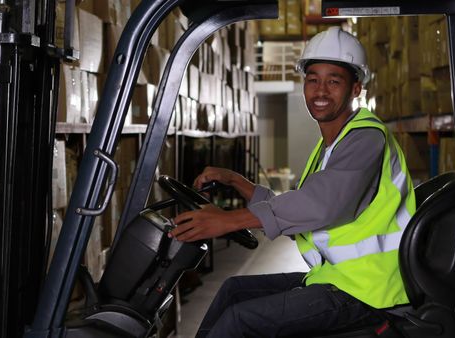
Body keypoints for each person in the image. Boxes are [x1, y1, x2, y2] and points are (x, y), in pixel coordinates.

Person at [168, 26, 416, 337]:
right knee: (234, 290)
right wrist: (236, 181)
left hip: (369, 292)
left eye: (333, 82)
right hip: (339, 279)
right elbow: (299, 212)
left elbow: (320, 205)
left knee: (240, 320)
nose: (321, 91)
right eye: (313, 80)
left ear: (356, 89)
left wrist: (228, 221)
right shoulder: (331, 146)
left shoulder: (365, 137)